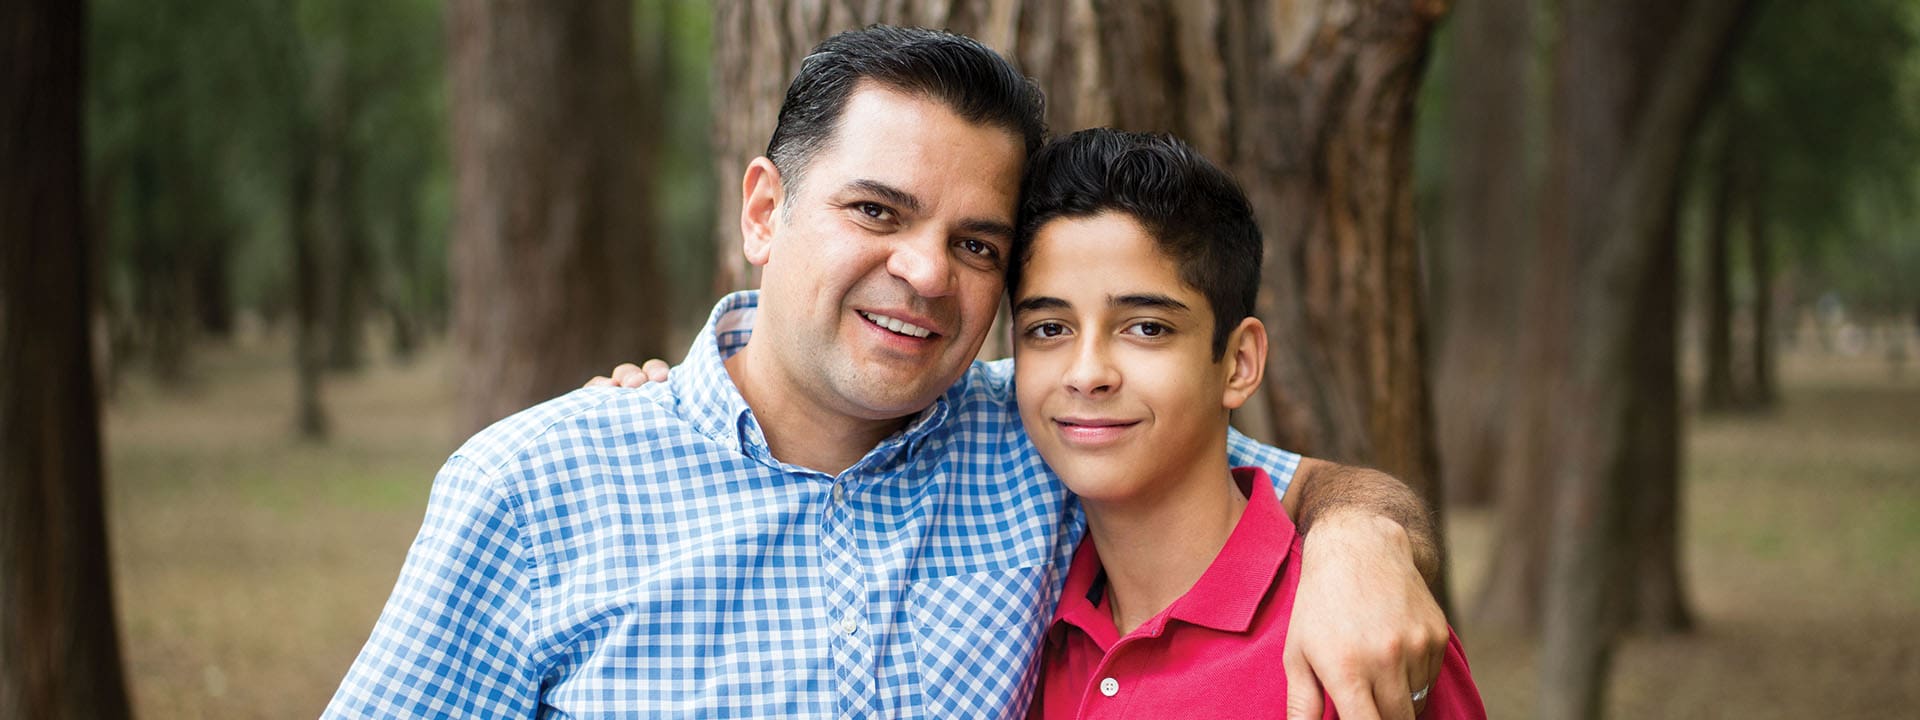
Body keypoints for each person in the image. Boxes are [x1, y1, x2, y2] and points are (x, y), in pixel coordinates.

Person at [330, 26, 1447, 719]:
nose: (923, 272)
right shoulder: (530, 491)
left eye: (975, 244)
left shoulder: (1040, 430)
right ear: (765, 210)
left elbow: (1299, 487)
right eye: (877, 211)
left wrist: (1365, 544)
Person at [1006, 129, 1483, 719]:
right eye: (1050, 328)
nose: (1086, 374)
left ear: (1238, 363)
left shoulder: (1353, 633)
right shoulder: (1034, 639)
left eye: (1147, 327)